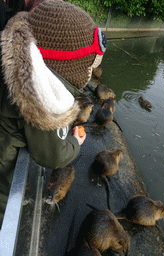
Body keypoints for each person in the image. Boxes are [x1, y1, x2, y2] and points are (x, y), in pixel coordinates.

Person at [0, 0, 107, 228]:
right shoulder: (43, 99)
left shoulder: (12, 60)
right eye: (87, 67)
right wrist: (75, 142)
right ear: (67, 67)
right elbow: (53, 155)